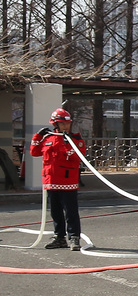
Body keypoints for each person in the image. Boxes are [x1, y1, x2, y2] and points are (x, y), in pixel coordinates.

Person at [29, 107, 87, 251]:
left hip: (67, 182)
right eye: (62, 124)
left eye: (67, 124)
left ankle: (74, 237)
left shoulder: (75, 140)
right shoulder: (48, 138)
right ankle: (59, 237)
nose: (66, 126)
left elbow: (76, 157)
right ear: (55, 124)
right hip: (51, 182)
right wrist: (37, 136)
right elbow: (34, 152)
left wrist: (65, 141)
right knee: (55, 212)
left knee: (71, 211)